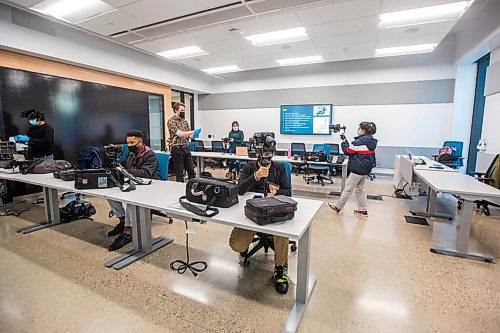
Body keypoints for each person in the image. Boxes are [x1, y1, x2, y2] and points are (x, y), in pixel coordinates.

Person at [228, 135, 292, 294]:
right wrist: (255, 176)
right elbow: (240, 190)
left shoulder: (279, 168)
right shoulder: (248, 168)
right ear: (256, 153)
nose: (266, 156)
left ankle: (280, 267)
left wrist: (277, 192)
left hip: (273, 211)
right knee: (236, 245)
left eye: (269, 153)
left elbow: (288, 192)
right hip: (252, 212)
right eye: (263, 153)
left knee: (283, 231)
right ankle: (249, 239)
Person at [107, 130, 161, 251]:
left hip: (150, 185)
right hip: (134, 182)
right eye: (127, 143)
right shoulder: (131, 154)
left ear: (140, 142)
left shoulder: (149, 155)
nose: (129, 145)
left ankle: (128, 231)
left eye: (132, 142)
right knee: (109, 194)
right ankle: (122, 221)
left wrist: (125, 170)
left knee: (132, 201)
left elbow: (146, 173)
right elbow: (123, 165)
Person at [328, 121, 378, 217]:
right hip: (365, 168)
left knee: (348, 189)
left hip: (358, 169)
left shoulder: (360, 142)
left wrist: (343, 143)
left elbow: (347, 151)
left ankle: (338, 207)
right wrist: (345, 140)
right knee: (360, 189)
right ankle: (363, 210)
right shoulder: (371, 141)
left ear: (363, 130)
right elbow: (354, 149)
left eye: (359, 129)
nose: (358, 130)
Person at [167, 102, 200, 182]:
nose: (183, 112)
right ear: (175, 110)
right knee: (179, 173)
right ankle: (180, 190)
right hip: (177, 149)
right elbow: (180, 134)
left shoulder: (184, 121)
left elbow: (188, 135)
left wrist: (194, 135)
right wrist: (192, 131)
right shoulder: (171, 121)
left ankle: (192, 189)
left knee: (191, 172)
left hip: (186, 148)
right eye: (181, 110)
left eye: (184, 110)